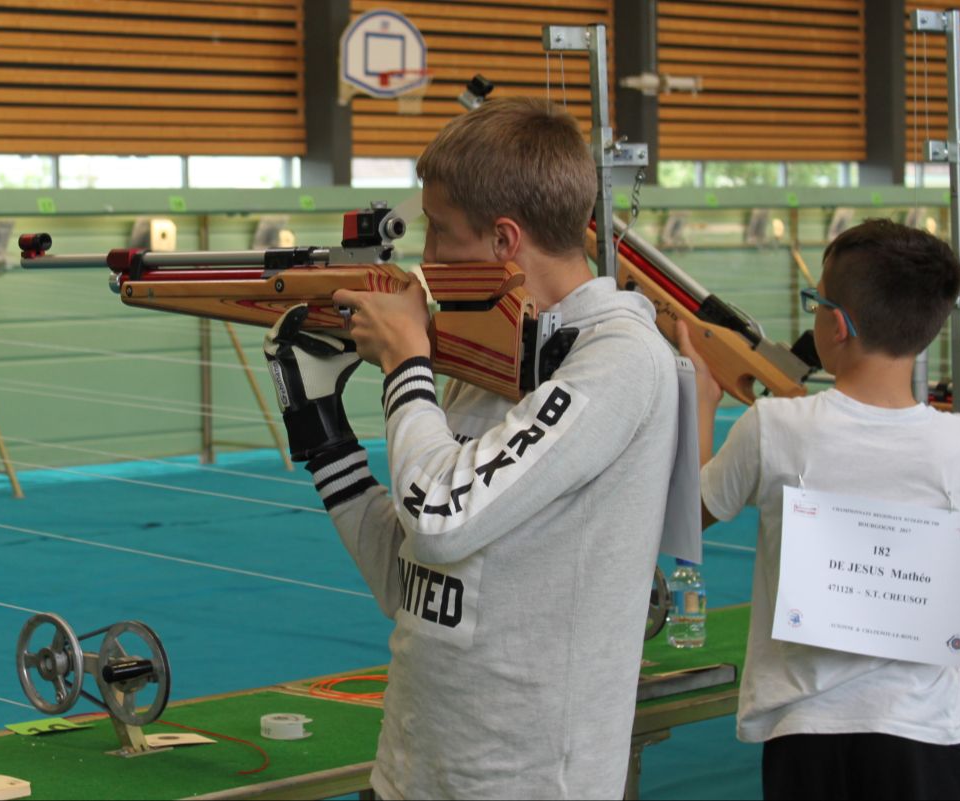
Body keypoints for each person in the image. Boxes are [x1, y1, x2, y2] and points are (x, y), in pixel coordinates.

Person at [262, 97, 683, 799]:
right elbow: (412, 583)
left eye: (441, 232)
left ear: (504, 240)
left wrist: (406, 365)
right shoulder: (494, 354)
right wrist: (323, 428)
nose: (425, 259)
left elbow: (440, 516)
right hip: (411, 770)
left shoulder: (620, 357)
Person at [676, 218, 960, 801]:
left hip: (811, 736)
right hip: (930, 733)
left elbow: (687, 515)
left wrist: (699, 396)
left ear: (836, 324)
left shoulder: (774, 427)